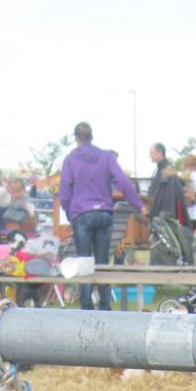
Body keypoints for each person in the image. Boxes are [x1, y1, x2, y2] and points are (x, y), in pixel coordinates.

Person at [59, 122, 145, 309]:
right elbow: (122, 181)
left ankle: (86, 305)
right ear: (91, 136)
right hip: (104, 212)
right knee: (103, 261)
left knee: (84, 262)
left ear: (76, 138)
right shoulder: (106, 157)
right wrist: (138, 204)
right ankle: (105, 306)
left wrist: (69, 212)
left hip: (81, 213)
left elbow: (64, 190)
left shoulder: (71, 160)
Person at [146, 142, 189, 224]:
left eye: (151, 153)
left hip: (163, 211)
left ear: (159, 153)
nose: (149, 156)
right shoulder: (159, 169)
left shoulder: (166, 170)